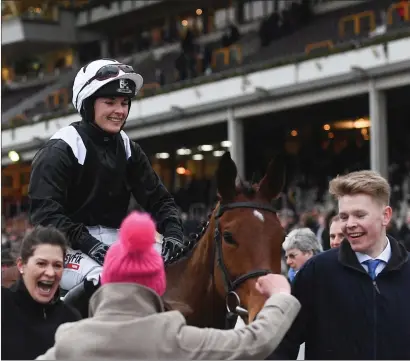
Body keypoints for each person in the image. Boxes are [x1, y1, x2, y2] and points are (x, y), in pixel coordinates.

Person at [37, 211, 301, 360]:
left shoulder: (70, 341)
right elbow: (254, 343)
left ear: (108, 280)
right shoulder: (174, 338)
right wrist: (280, 296)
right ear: (157, 283)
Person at [28, 58, 185, 295]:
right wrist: (89, 244)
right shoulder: (61, 148)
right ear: (88, 105)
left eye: (124, 103)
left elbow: (160, 200)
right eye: (110, 102)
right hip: (65, 246)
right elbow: (45, 214)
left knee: (179, 269)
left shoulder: (129, 148)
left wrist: (174, 234)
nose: (120, 111)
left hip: (116, 240)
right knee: (103, 280)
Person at [267, 170, 410, 360]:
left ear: (386, 216)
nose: (349, 224)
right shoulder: (316, 272)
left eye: (359, 215)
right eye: (344, 217)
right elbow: (282, 345)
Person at [1, 225, 81, 360]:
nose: (50, 273)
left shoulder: (71, 319)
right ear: (21, 265)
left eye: (57, 265)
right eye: (41, 264)